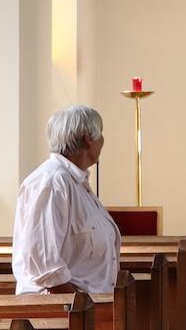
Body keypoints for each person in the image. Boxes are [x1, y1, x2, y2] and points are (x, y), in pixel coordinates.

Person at [12, 104, 120, 296]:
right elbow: (45, 263)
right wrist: (78, 306)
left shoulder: (74, 181)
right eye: (101, 133)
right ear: (89, 138)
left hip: (82, 307)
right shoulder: (52, 183)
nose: (103, 140)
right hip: (64, 310)